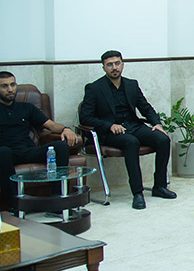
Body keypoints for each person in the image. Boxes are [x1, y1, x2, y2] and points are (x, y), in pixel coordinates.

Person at [79, 51, 176, 210]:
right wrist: (109, 126)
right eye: (109, 65)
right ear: (103, 68)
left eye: (117, 63)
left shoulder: (131, 85)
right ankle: (137, 193)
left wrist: (156, 123)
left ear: (122, 64)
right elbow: (85, 117)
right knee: (131, 142)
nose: (114, 67)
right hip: (111, 132)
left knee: (163, 139)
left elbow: (145, 107)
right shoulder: (94, 88)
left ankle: (159, 186)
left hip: (133, 126)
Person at [0, 71, 81, 209]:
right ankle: (14, 205)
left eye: (13, 85)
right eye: (4, 86)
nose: (10, 89)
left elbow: (51, 126)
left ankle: (57, 201)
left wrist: (65, 129)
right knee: (3, 152)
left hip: (28, 151)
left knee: (60, 146)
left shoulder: (26, 108)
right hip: (6, 154)